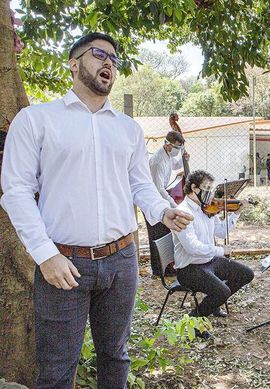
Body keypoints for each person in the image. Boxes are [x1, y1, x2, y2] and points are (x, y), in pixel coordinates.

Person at [0, 32, 193, 389]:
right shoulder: (36, 120)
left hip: (121, 261)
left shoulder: (128, 129)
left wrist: (163, 211)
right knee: (57, 370)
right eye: (99, 54)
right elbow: (16, 192)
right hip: (63, 265)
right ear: (74, 65)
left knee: (115, 356)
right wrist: (45, 256)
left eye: (114, 59)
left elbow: (139, 185)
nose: (109, 63)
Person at [173, 170, 254, 338]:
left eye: (211, 188)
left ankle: (213, 303)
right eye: (207, 188)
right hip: (189, 267)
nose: (210, 193)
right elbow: (192, 247)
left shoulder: (207, 208)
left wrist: (236, 213)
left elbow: (221, 232)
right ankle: (193, 320)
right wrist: (220, 250)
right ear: (194, 188)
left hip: (208, 260)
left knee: (246, 274)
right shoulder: (182, 212)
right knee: (222, 291)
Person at [147, 129, 189, 276]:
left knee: (164, 233)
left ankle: (168, 267)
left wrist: (184, 160)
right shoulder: (157, 162)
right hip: (153, 201)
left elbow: (175, 164)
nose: (178, 151)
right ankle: (159, 270)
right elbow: (159, 189)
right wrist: (174, 205)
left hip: (162, 198)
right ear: (168, 144)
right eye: (177, 148)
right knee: (157, 235)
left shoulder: (167, 155)